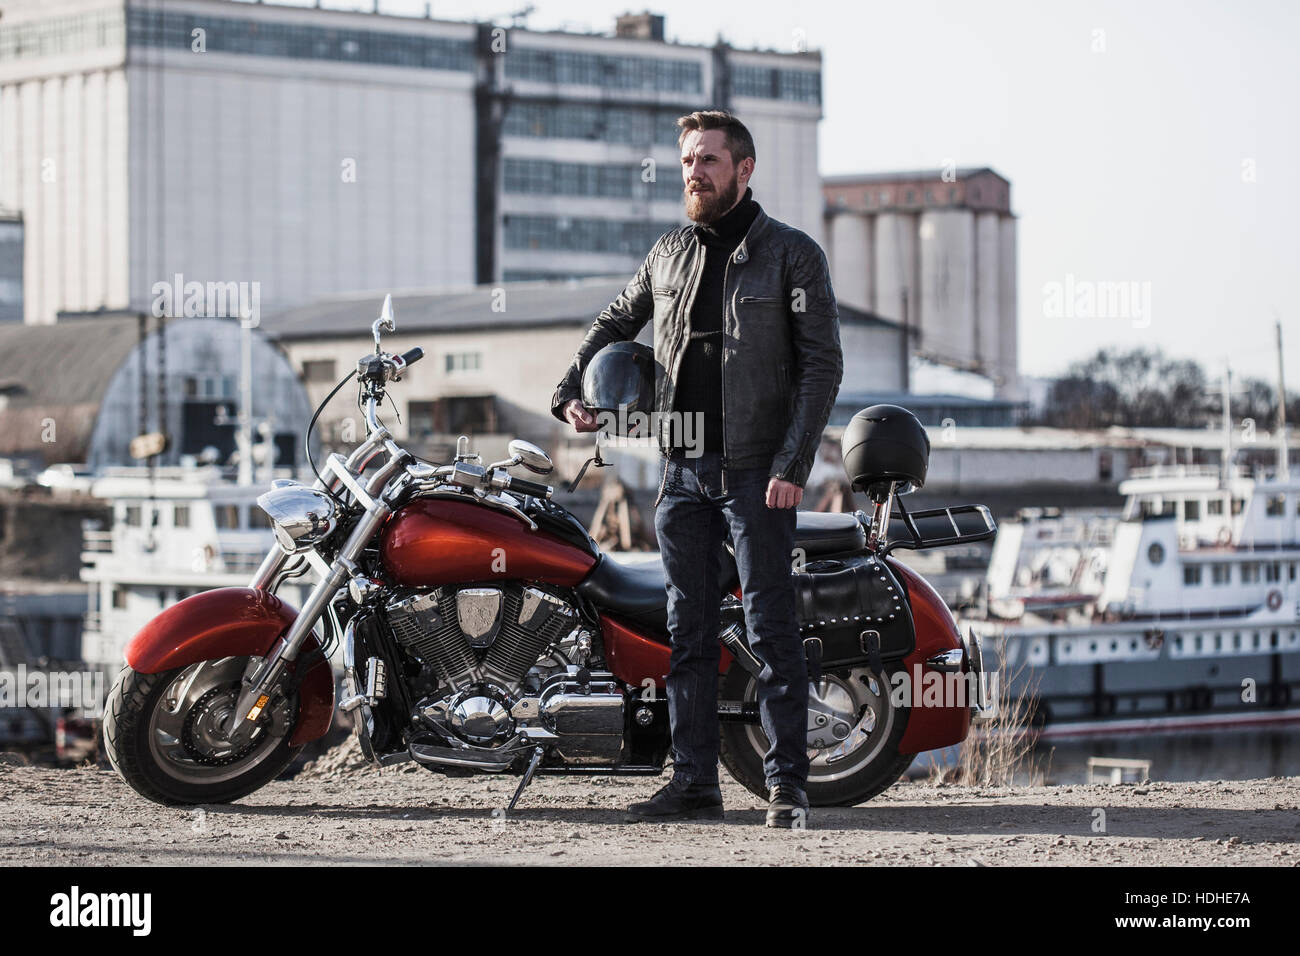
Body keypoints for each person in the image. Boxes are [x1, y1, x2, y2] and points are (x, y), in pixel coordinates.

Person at [550, 110, 843, 828]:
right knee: (687, 635)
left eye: (708, 159)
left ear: (744, 169)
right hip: (683, 468)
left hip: (756, 473)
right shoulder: (669, 254)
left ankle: (787, 789)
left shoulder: (791, 255)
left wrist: (792, 462)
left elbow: (822, 366)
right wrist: (568, 391)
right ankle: (694, 786)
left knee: (771, 630)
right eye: (687, 160)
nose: (694, 172)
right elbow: (614, 323)